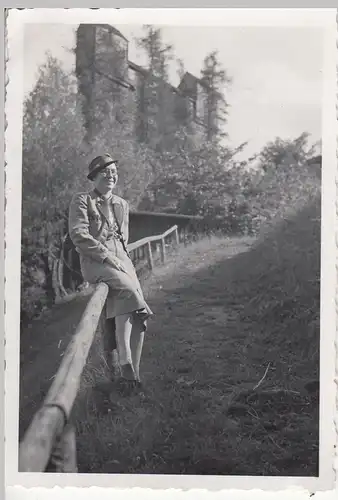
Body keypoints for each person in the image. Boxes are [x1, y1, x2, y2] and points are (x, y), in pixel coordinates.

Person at [68, 154, 153, 395]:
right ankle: (125, 364)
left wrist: (122, 261)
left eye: (114, 172)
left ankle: (133, 376)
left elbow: (123, 239)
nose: (111, 176)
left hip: (121, 262)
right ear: (93, 177)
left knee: (140, 311)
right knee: (128, 292)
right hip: (96, 262)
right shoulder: (82, 200)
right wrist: (107, 256)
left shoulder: (122, 204)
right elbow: (79, 235)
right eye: (105, 172)